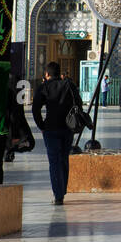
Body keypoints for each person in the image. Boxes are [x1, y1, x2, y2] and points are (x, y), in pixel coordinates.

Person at [33, 62, 80, 205]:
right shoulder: (69, 85)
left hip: (51, 129)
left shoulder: (44, 87)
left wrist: (42, 125)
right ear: (60, 74)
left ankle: (58, 194)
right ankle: (62, 190)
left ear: (47, 74)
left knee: (54, 162)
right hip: (67, 128)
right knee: (64, 159)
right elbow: (78, 103)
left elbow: (35, 109)